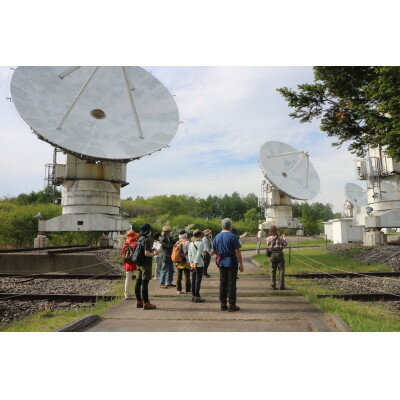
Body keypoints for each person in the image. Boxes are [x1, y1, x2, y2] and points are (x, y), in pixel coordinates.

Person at [212, 218, 244, 311]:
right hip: (231, 261)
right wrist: (241, 263)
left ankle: (223, 303)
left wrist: (219, 255)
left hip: (221, 262)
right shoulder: (233, 236)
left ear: (222, 226)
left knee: (223, 282)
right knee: (231, 284)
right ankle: (232, 304)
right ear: (230, 226)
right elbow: (237, 251)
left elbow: (213, 251)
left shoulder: (216, 236)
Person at [135, 223, 159, 309]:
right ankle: (146, 303)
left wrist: (152, 249)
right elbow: (147, 254)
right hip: (146, 265)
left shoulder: (139, 239)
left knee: (138, 282)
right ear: (148, 231)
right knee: (145, 283)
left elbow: (142, 251)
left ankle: (139, 301)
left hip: (139, 263)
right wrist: (155, 253)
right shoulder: (147, 240)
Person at [266, 225, 288, 290]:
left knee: (272, 270)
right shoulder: (280, 238)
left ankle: (273, 285)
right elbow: (285, 244)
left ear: (270, 231)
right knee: (281, 270)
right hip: (279, 253)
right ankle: (281, 285)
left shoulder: (268, 238)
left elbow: (268, 246)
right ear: (276, 230)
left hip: (272, 254)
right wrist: (284, 238)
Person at [188, 229, 206, 303]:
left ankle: (193, 295)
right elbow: (199, 254)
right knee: (198, 281)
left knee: (193, 280)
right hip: (199, 264)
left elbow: (189, 254)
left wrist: (191, 262)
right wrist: (195, 263)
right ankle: (197, 296)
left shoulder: (191, 243)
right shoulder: (201, 244)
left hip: (192, 264)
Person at [121, 230, 139, 300]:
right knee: (138, 279)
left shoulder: (125, 244)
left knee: (127, 280)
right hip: (135, 264)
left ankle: (126, 295)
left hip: (127, 264)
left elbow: (123, 255)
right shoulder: (136, 244)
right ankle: (138, 294)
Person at [174, 230, 191, 294]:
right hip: (186, 261)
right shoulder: (187, 242)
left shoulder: (177, 242)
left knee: (179, 276)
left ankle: (179, 290)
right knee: (187, 276)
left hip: (178, 261)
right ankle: (188, 290)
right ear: (185, 235)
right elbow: (189, 252)